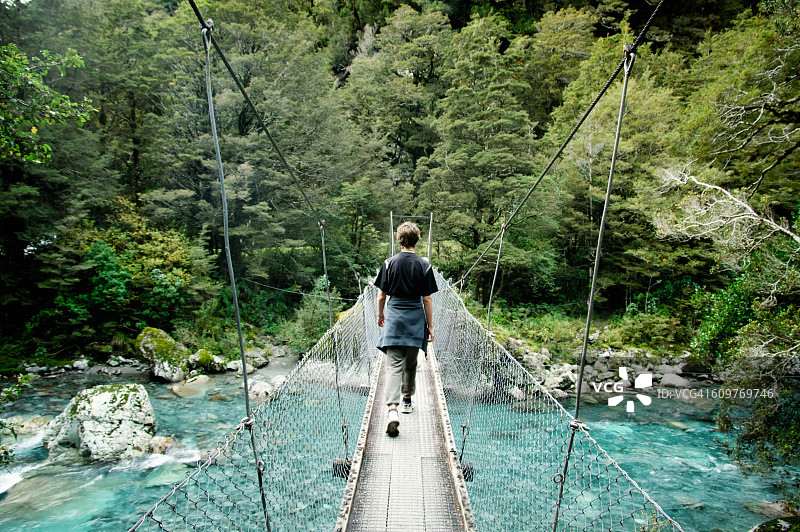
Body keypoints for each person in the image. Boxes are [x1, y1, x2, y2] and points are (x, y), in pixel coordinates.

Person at [375, 221, 437, 437]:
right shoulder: (424, 265)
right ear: (417, 240)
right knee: (411, 363)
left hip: (394, 318)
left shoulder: (388, 263)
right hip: (414, 318)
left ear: (399, 240)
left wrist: (381, 315)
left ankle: (392, 409)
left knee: (393, 365)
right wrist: (430, 326)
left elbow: (381, 295)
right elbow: (427, 299)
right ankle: (407, 400)